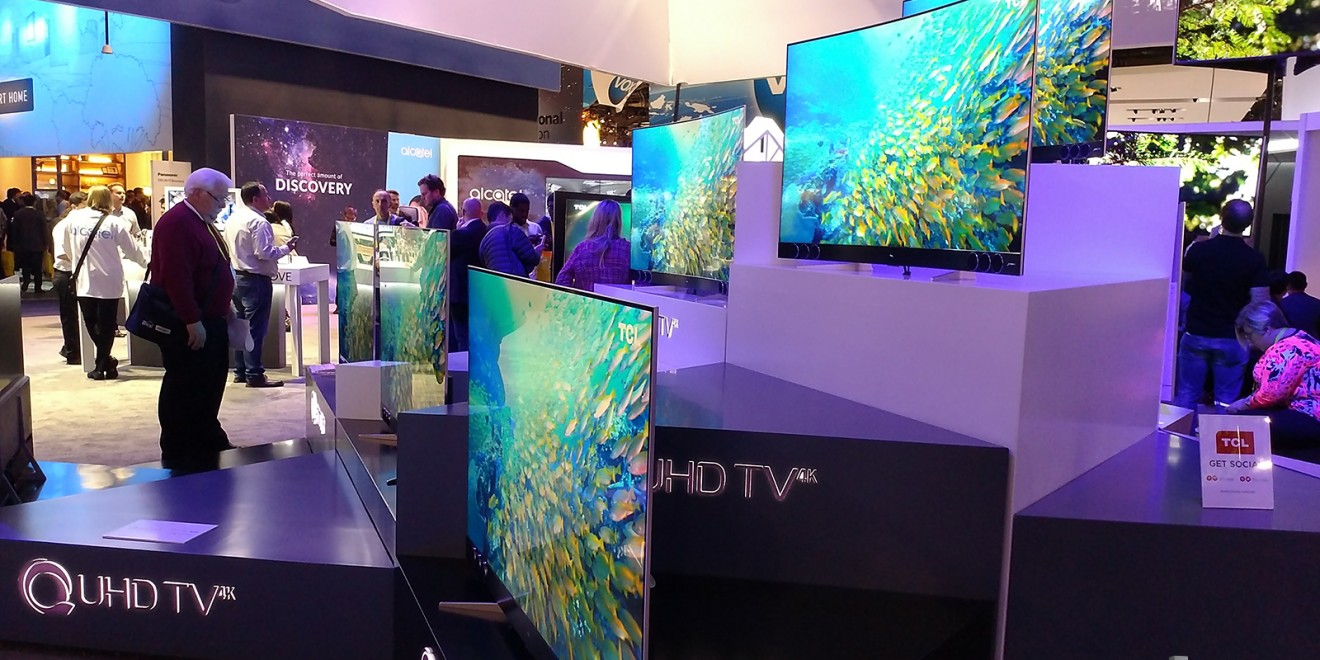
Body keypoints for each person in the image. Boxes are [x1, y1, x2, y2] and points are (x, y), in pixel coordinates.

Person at [150, 167, 239, 470]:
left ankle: (206, 440)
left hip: (209, 318)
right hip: (189, 323)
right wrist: (191, 319)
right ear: (198, 193)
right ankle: (179, 450)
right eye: (219, 199)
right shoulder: (177, 223)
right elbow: (177, 277)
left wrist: (224, 303)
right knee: (185, 385)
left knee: (208, 384)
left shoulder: (200, 222)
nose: (222, 205)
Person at [1174, 200, 1269, 410]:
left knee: (1187, 395)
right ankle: (1220, 432)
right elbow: (1260, 302)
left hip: (1195, 332)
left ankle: (1180, 431)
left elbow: (1181, 287)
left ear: (1222, 218)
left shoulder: (1199, 251)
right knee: (1226, 400)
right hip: (1233, 338)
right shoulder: (1254, 259)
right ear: (1248, 224)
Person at [61, 186, 147, 379]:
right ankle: (106, 362)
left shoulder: (73, 220)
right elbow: (133, 250)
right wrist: (147, 263)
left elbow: (66, 248)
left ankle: (101, 366)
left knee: (90, 321)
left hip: (84, 278)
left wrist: (76, 262)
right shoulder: (114, 223)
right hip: (110, 279)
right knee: (107, 323)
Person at [224, 181, 296, 388]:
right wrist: (286, 248)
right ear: (255, 199)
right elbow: (264, 253)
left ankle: (241, 371)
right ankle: (254, 373)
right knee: (255, 329)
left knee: (241, 327)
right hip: (256, 280)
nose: (269, 199)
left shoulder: (233, 218)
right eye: (266, 195)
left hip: (237, 278)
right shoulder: (259, 222)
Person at [1225, 301, 1320, 451]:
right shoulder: (1301, 336)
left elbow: (1271, 394)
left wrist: (1242, 404)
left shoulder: (1286, 348)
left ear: (1267, 329)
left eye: (1250, 335)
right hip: (1309, 413)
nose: (1250, 343)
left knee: (1240, 421)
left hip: (1309, 415)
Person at [555, 199, 630, 292]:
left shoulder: (582, 249)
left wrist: (576, 296)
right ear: (618, 221)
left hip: (585, 301)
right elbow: (642, 284)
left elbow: (561, 281)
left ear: (596, 220)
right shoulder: (628, 250)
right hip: (619, 302)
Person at [50, 191, 89, 364]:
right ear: (74, 206)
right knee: (70, 316)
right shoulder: (63, 226)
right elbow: (61, 254)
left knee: (81, 314)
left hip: (78, 272)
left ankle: (73, 349)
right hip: (66, 274)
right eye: (85, 206)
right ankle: (73, 352)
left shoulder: (81, 225)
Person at [449, 197, 489, 352]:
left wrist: (457, 230)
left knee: (462, 338)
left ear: (463, 211)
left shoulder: (460, 234)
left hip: (459, 294)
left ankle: (463, 366)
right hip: (480, 292)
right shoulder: (486, 231)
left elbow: (446, 253)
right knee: (479, 338)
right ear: (481, 212)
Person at [478, 201, 540, 278]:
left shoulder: (484, 241)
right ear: (502, 215)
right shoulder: (510, 230)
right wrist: (537, 251)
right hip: (514, 281)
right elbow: (533, 258)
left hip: (496, 282)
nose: (511, 222)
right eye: (510, 218)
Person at [8, 193, 50, 293]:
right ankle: (38, 286)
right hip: (37, 244)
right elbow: (44, 230)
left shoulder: (18, 214)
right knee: (37, 267)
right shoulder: (39, 214)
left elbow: (15, 231)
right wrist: (46, 242)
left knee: (25, 265)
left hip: (23, 244)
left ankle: (26, 281)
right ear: (34, 202)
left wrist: (15, 244)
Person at [1282, 271, 1320, 338]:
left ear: (1287, 285)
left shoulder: (1281, 304)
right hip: (1312, 342)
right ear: (1305, 285)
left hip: (1287, 342)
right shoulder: (1317, 304)